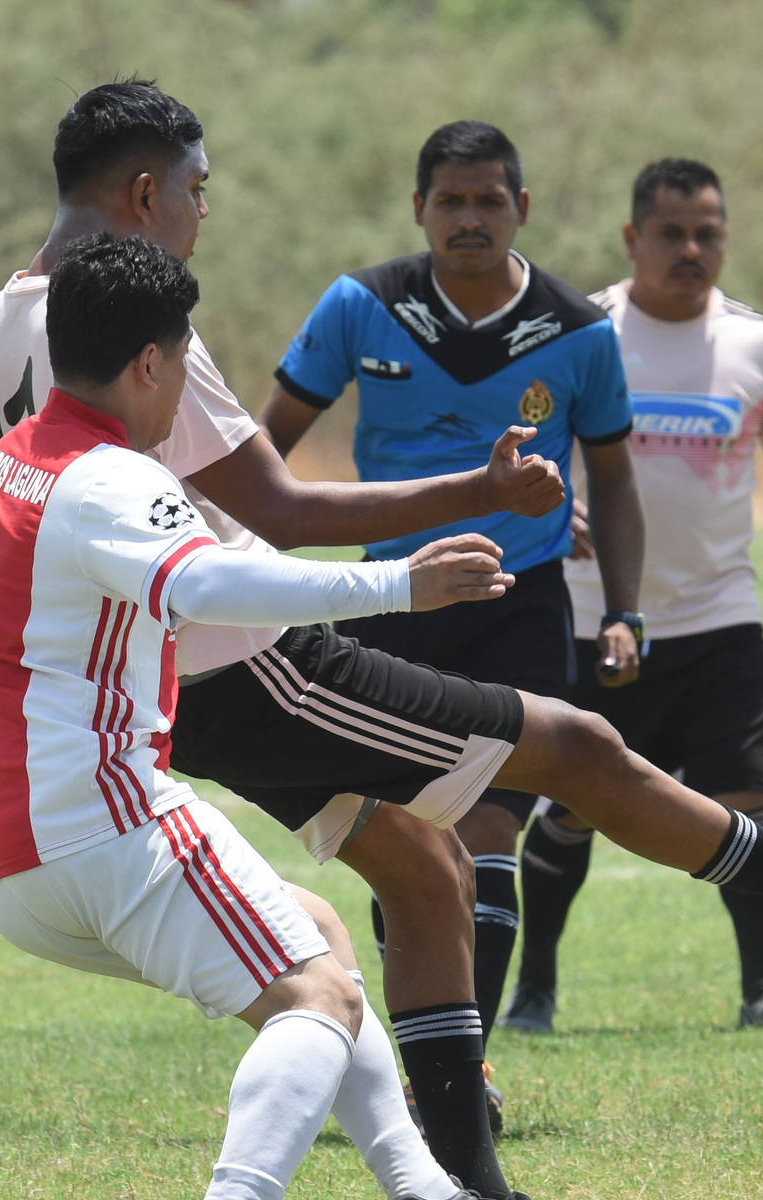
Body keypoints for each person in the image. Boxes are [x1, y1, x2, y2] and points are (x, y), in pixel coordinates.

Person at [0, 81, 564, 1200]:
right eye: (186, 361)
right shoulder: (113, 477)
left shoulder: (10, 463)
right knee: (317, 997)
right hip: (99, 818)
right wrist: (400, 579)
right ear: (147, 361)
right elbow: (223, 574)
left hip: (3, 835)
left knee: (325, 935)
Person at [257, 120, 647, 1059]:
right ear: (419, 209)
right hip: (388, 603)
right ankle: (428, 1058)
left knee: (486, 841)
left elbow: (617, 482)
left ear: (522, 206)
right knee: (403, 850)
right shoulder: (360, 305)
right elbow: (264, 451)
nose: (469, 218)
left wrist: (625, 610)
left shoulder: (579, 332)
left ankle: (464, 1074)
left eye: (488, 200)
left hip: (519, 604)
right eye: (450, 201)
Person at [506, 158, 763, 1035]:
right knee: (573, 806)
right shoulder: (582, 333)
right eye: (671, 232)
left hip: (720, 620)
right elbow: (519, 446)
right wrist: (557, 502)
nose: (691, 249)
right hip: (590, 621)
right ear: (632, 239)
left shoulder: (762, 346)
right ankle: (534, 994)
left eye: (708, 233)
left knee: (749, 803)